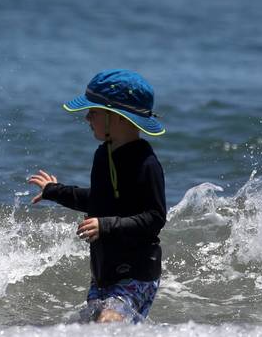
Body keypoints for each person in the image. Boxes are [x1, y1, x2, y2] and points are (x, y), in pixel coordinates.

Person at [27, 69, 167, 324]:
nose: (87, 117)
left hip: (137, 272)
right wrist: (55, 191)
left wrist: (106, 225)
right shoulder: (104, 154)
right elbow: (99, 199)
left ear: (117, 118)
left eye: (93, 111)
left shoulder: (146, 163)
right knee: (83, 325)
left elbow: (155, 217)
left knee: (108, 321)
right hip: (104, 273)